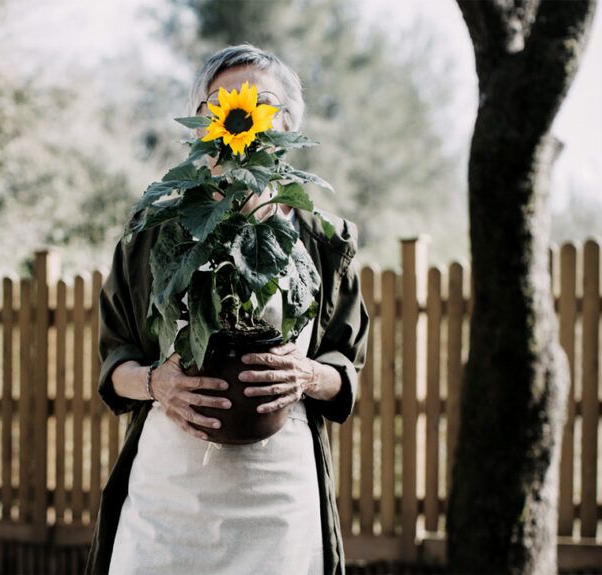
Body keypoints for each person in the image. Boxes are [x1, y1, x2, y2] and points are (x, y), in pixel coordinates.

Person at [85, 44, 370, 575]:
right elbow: (114, 359)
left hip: (277, 500)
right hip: (167, 502)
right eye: (218, 103)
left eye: (264, 102)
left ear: (286, 124)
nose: (239, 112)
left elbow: (345, 368)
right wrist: (156, 384)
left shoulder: (326, 240)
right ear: (201, 125)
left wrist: (307, 375)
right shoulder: (155, 233)